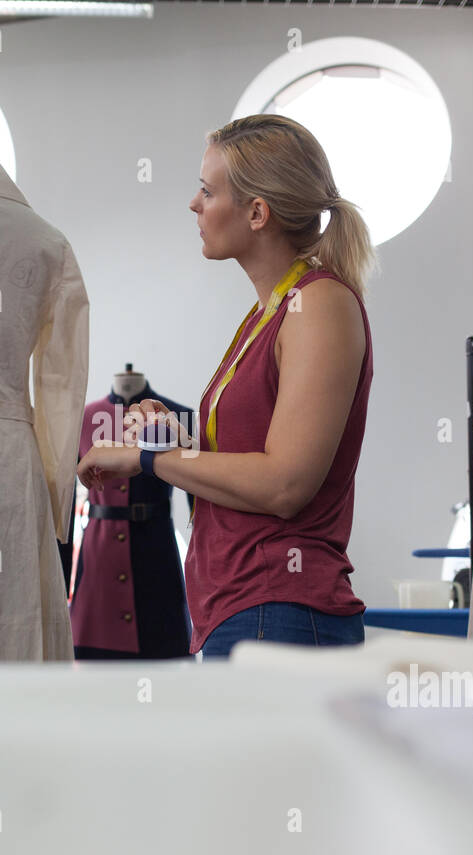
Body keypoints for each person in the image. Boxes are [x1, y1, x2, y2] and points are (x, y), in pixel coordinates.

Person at [76, 114, 375, 660]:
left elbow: (286, 485)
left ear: (257, 213)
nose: (194, 204)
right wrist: (180, 442)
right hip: (236, 609)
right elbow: (251, 463)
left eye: (208, 191)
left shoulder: (320, 305)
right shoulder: (265, 315)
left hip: (278, 609)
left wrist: (145, 458)